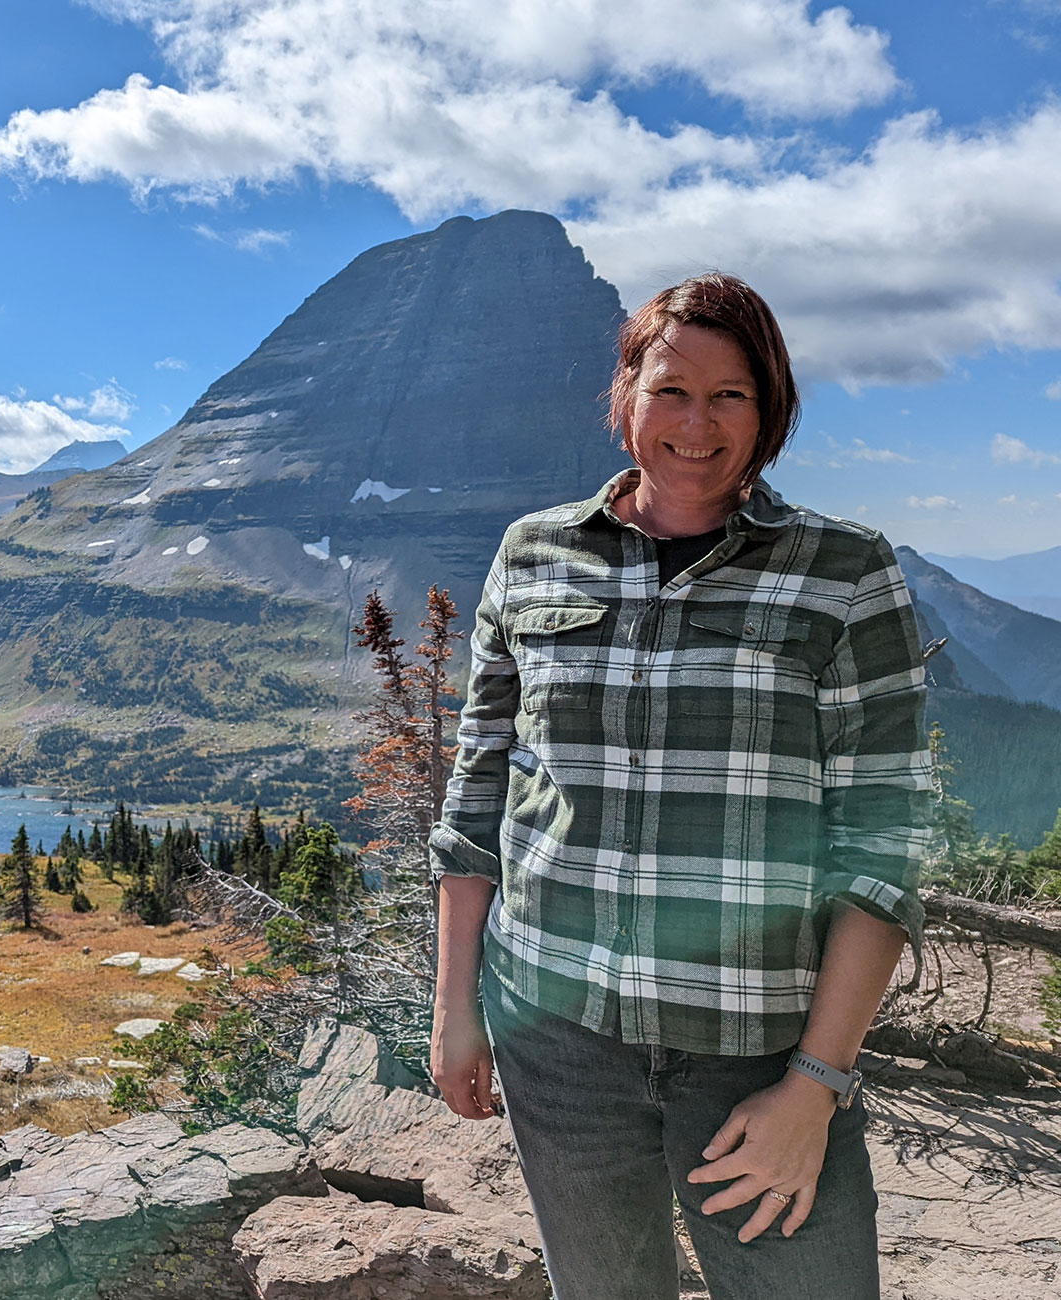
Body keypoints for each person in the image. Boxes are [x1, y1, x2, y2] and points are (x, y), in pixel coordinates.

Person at [427, 272, 929, 1300]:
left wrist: (816, 1084)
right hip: (553, 1037)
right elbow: (476, 802)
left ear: (769, 408)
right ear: (625, 397)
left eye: (729, 395)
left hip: (756, 1052)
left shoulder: (842, 571)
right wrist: (454, 1008)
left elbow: (882, 848)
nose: (694, 423)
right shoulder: (533, 557)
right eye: (668, 389)